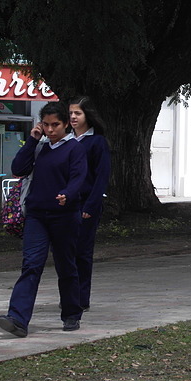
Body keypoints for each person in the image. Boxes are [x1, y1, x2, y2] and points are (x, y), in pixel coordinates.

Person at [0, 102, 87, 337]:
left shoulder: (75, 149)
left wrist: (67, 194)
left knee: (66, 266)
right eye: (45, 125)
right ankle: (17, 318)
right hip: (36, 216)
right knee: (31, 266)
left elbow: (79, 178)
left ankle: (71, 314)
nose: (50, 129)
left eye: (55, 125)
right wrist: (32, 140)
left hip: (65, 216)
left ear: (66, 124)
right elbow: (18, 168)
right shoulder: (40, 147)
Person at [67, 97, 111, 311]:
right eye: (71, 113)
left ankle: (81, 298)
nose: (73, 117)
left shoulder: (97, 142)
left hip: (86, 205)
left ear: (87, 116)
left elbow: (101, 177)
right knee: (66, 253)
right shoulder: (66, 140)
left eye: (78, 113)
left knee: (82, 253)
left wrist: (90, 207)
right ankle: (68, 296)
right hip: (65, 205)